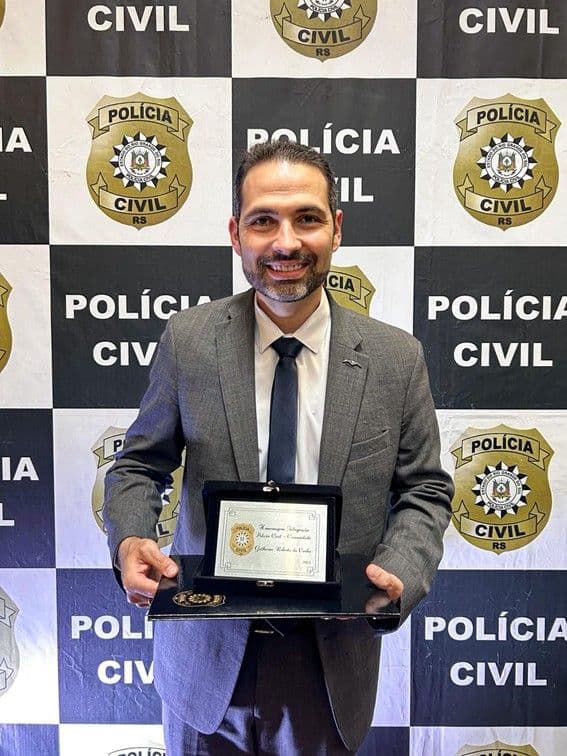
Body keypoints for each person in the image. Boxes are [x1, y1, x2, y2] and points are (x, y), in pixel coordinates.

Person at [104, 140, 454, 754]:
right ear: (236, 234)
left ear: (336, 229)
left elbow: (424, 489)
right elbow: (139, 463)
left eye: (307, 218)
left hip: (330, 662)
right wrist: (131, 537)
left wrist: (402, 567)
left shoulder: (396, 358)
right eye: (264, 220)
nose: (286, 243)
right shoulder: (189, 341)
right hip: (206, 660)